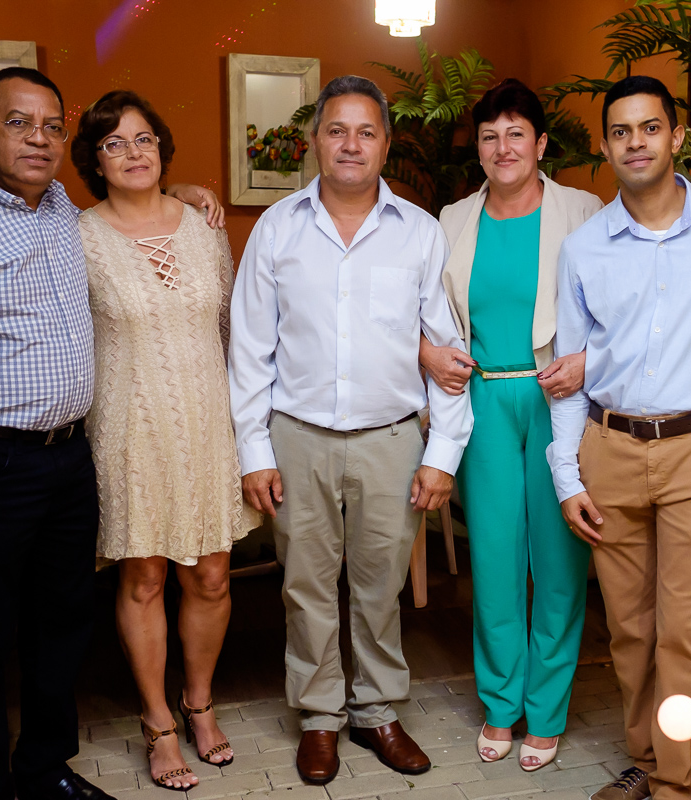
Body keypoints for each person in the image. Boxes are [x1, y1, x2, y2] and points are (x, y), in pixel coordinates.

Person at [0, 67, 218, 800]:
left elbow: (136, 208)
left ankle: (44, 768)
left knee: (61, 626)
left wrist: (187, 194)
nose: (39, 139)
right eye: (18, 122)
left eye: (52, 126)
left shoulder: (59, 206)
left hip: (70, 455)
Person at [228, 75, 473, 787]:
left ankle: (377, 712)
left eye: (366, 132)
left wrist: (442, 454)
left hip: (391, 438)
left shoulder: (419, 233)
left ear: (387, 145)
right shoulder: (277, 229)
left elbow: (447, 355)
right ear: (314, 141)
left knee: (377, 584)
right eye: (337, 130)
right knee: (305, 586)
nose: (350, 144)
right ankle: (318, 718)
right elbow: (249, 350)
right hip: (296, 435)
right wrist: (254, 449)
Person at [548, 76, 691, 800]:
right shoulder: (583, 249)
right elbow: (569, 375)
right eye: (622, 131)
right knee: (629, 630)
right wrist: (568, 476)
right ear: (605, 147)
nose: (637, 142)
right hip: (611, 446)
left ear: (677, 137)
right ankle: (649, 753)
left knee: (688, 631)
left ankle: (679, 779)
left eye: (651, 127)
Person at [69, 90, 261, 790]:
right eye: (113, 144)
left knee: (210, 574)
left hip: (210, 423)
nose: (131, 153)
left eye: (143, 139)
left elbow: (235, 333)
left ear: (162, 147)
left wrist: (252, 429)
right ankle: (157, 723)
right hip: (128, 427)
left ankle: (200, 703)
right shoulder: (76, 234)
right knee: (144, 576)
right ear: (94, 160)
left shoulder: (206, 226)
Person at [417, 78, 601, 771]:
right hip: (484, 402)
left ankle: (547, 711)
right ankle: (502, 704)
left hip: (560, 402)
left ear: (541, 142)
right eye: (490, 136)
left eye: (516, 133)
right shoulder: (451, 219)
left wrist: (588, 361)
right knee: (494, 560)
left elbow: (619, 307)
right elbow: (419, 313)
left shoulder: (584, 211)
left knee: (558, 563)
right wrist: (429, 353)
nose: (503, 147)